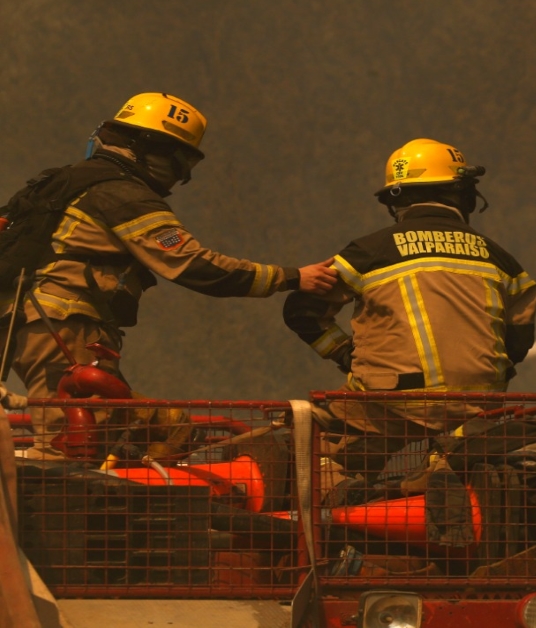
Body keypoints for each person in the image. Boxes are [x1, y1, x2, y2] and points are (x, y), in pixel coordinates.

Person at [4, 92, 338, 460]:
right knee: (71, 447)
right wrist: (292, 277)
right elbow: (196, 267)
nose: (182, 178)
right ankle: (39, 517)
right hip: (66, 327)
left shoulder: (61, 183)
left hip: (25, 325)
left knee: (116, 434)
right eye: (179, 164)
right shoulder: (122, 194)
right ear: (151, 149)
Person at [283, 138, 536, 482]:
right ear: (462, 195)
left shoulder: (369, 251)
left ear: (395, 202)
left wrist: (345, 354)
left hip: (388, 403)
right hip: (476, 405)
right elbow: (518, 339)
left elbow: (301, 310)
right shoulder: (502, 259)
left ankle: (344, 497)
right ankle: (441, 472)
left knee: (322, 455)